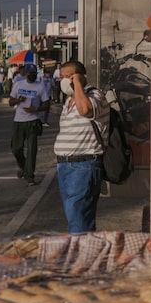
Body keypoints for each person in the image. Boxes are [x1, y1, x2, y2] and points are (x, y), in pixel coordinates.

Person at [53, 60, 110, 233]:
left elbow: (85, 110)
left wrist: (77, 83)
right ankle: (84, 248)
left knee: (78, 221)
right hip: (65, 165)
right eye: (62, 77)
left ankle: (80, 249)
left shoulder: (95, 96)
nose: (65, 81)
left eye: (70, 76)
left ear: (83, 77)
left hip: (83, 165)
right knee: (75, 218)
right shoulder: (68, 102)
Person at [9, 63, 50, 186]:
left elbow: (46, 104)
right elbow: (10, 102)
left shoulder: (40, 86)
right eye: (30, 73)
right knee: (16, 148)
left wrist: (36, 109)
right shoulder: (18, 84)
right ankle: (22, 165)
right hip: (19, 120)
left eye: (34, 73)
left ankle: (29, 176)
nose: (32, 75)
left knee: (32, 150)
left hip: (33, 121)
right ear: (26, 73)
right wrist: (18, 100)